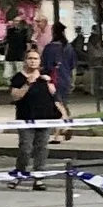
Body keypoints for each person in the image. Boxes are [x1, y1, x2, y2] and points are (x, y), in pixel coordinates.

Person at [10, 49, 64, 189]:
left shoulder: (44, 78)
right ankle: (19, 173)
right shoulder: (19, 78)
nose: (33, 61)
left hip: (44, 119)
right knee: (25, 149)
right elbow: (15, 96)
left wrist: (48, 84)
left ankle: (39, 177)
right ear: (25, 61)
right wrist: (28, 83)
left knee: (41, 148)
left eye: (36, 58)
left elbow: (54, 97)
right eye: (30, 58)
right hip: (25, 119)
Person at [42, 23, 76, 131]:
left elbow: (44, 65)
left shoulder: (49, 48)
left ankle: (64, 126)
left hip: (53, 79)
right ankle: (63, 127)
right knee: (63, 103)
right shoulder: (69, 47)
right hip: (66, 78)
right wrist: (72, 81)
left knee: (56, 104)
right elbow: (73, 66)